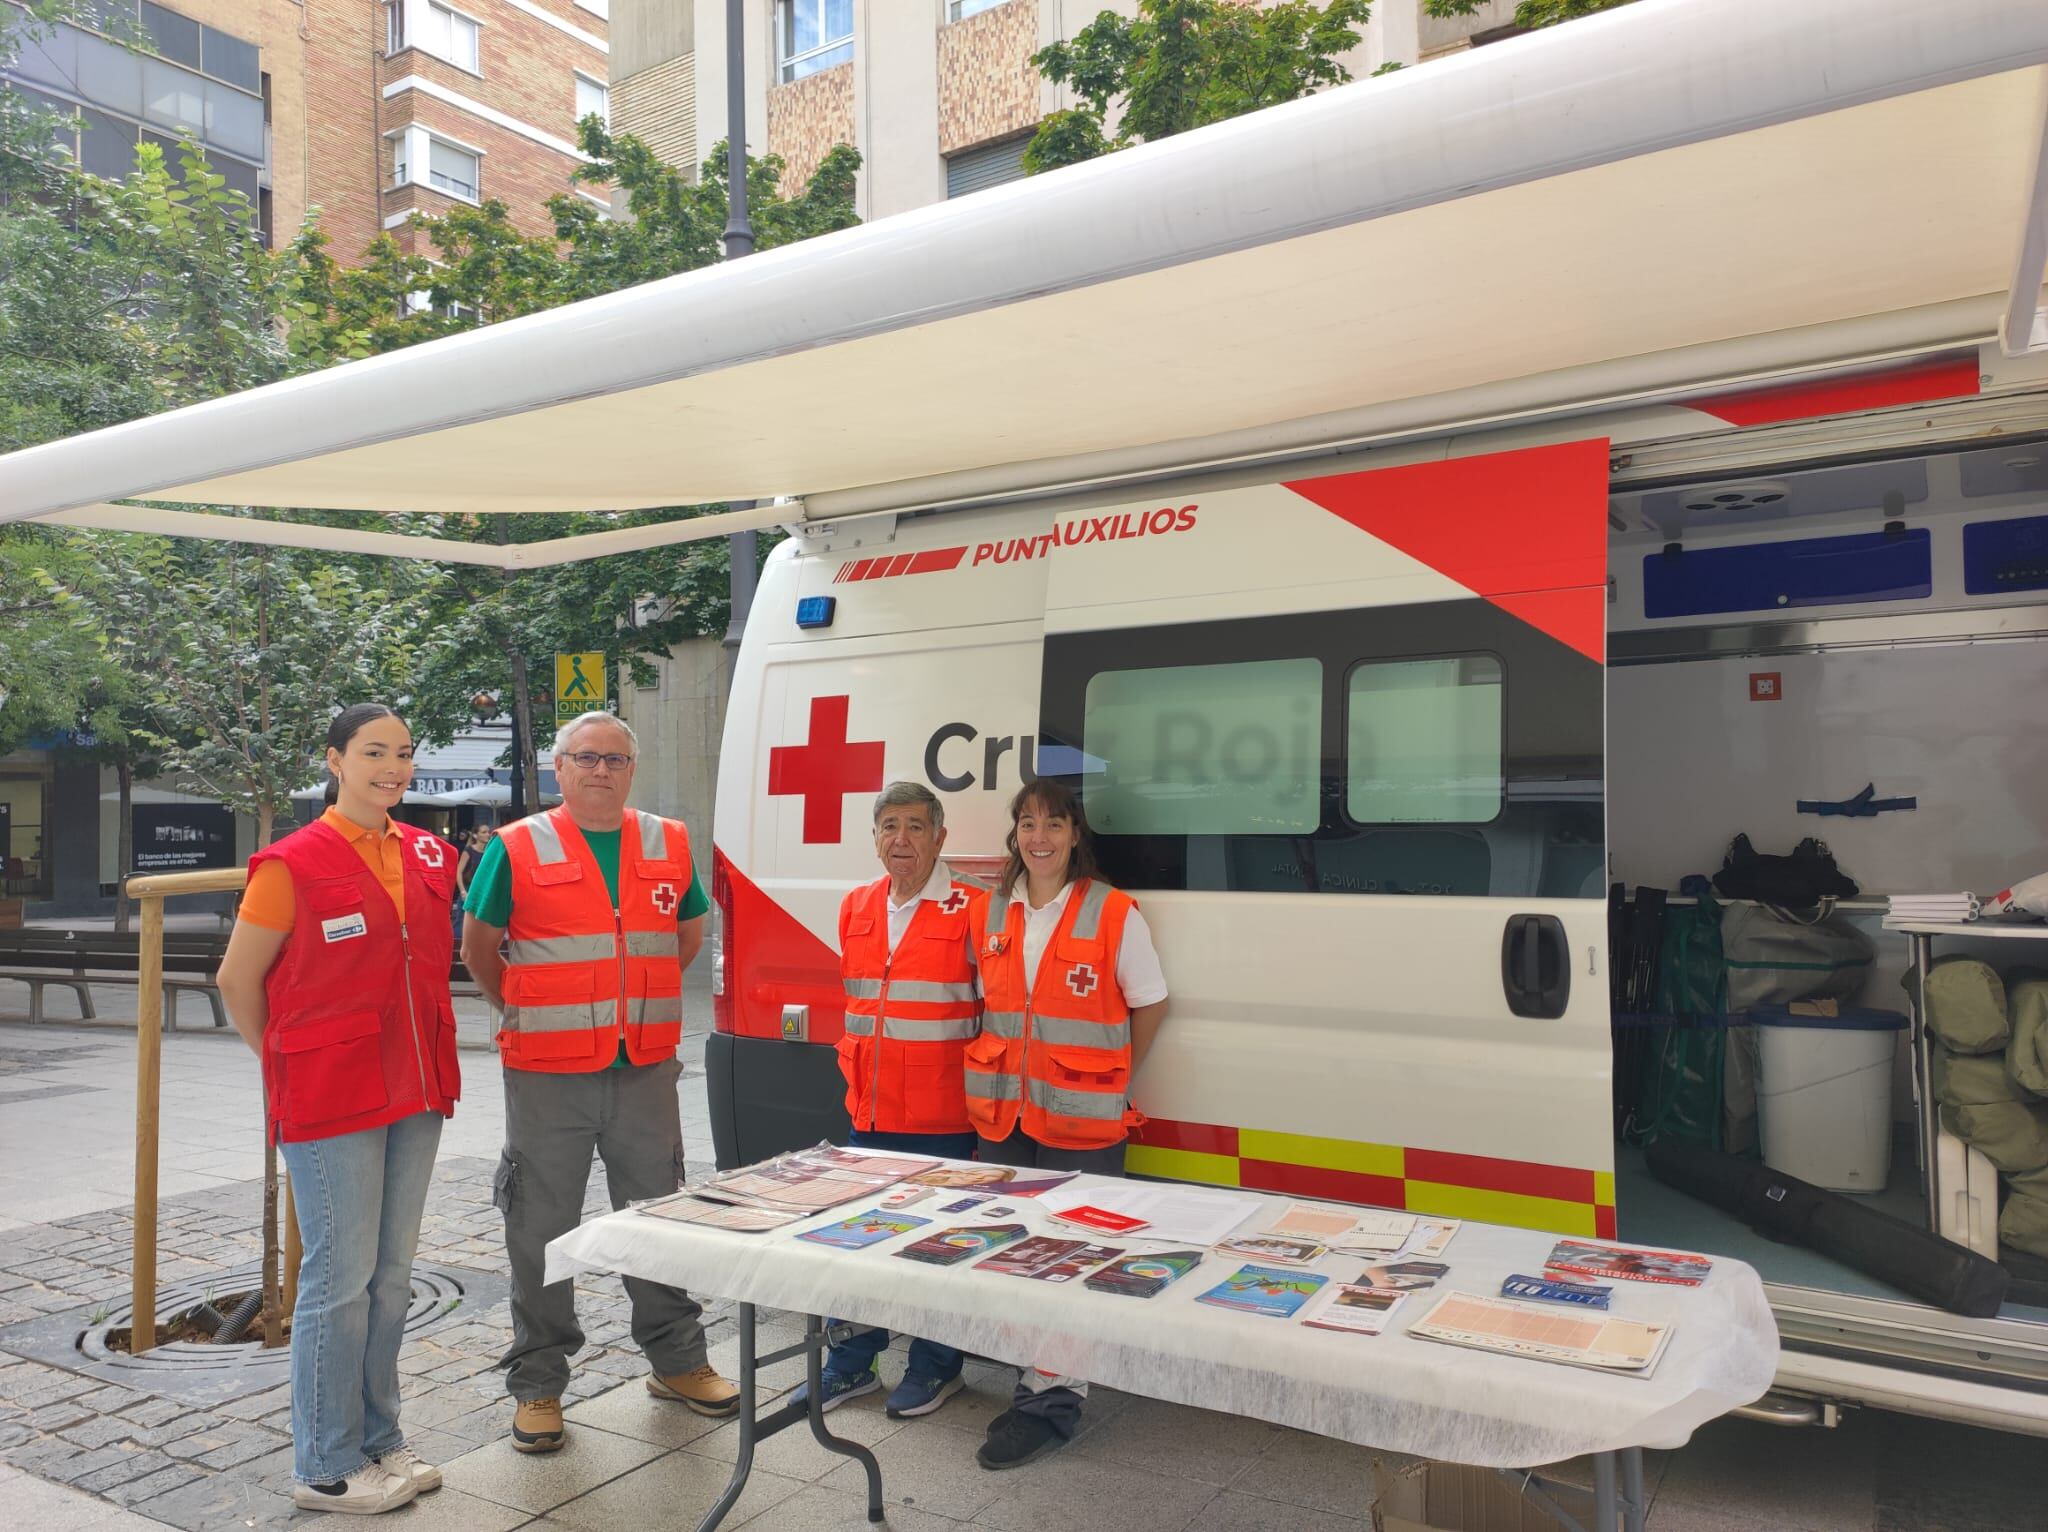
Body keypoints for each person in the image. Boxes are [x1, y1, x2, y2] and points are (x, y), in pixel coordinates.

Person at [460, 711, 737, 1453]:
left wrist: (626, 1003)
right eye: (586, 758)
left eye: (615, 759)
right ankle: (540, 1386)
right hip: (548, 1076)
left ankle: (678, 1363)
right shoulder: (517, 846)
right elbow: (480, 947)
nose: (601, 771)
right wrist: (528, 1007)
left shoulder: (668, 842)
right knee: (540, 1231)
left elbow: (686, 933)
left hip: (643, 1069)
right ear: (560, 767)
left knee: (658, 1220)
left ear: (631, 770)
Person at [215, 704, 461, 1515]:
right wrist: (288, 1065)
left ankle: (380, 1439)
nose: (391, 768)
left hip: (417, 1090)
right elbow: (236, 982)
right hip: (332, 1100)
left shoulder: (430, 852)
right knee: (338, 1281)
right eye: (372, 753)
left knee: (390, 1281)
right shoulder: (290, 863)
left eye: (403, 753)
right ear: (334, 760)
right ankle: (325, 1462)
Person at [963, 779, 1169, 1470]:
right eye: (1027, 823)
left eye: (1054, 823)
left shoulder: (1113, 912)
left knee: (1070, 1261)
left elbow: (1151, 1003)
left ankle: (1050, 1405)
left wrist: (1112, 1078)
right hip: (1005, 1114)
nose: (1039, 836)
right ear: (1014, 834)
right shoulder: (993, 910)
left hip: (1080, 1121)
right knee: (1014, 1252)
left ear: (1076, 834)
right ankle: (1031, 1375)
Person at [793, 782, 984, 1420]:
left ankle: (937, 1370)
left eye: (915, 827)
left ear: (940, 837)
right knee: (862, 1248)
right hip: (869, 1112)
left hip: (945, 1116)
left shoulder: (975, 908)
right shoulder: (856, 905)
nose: (901, 839)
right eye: (889, 827)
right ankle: (851, 1366)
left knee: (941, 1250)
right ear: (874, 838)